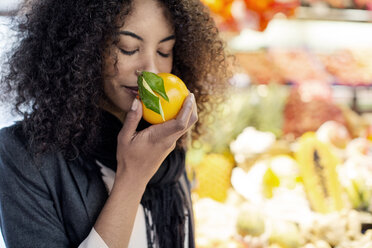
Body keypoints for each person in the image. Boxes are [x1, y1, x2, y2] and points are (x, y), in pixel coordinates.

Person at [0, 0, 229, 247]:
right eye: (128, 48)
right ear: (83, 47)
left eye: (164, 51)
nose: (151, 71)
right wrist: (132, 179)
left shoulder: (166, 142)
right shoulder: (20, 154)